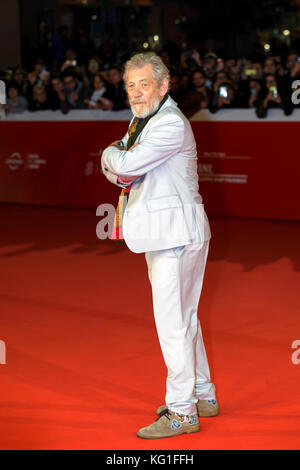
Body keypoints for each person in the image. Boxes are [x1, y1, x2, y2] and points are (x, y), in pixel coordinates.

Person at [101, 53, 218, 439]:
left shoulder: (166, 123)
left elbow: (123, 166)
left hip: (174, 237)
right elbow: (128, 162)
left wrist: (108, 154)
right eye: (130, 85)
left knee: (173, 324)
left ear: (164, 85)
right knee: (186, 318)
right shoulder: (146, 120)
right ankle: (202, 394)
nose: (135, 92)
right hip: (176, 233)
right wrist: (121, 156)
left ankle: (183, 412)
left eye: (144, 84)